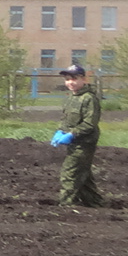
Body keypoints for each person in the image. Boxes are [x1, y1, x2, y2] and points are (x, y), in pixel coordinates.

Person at [52, 64, 104, 207]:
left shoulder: (89, 98)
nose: (71, 82)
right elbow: (66, 119)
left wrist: (71, 134)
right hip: (74, 142)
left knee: (69, 174)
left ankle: (66, 205)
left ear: (83, 79)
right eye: (67, 79)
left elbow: (89, 123)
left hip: (84, 143)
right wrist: (60, 131)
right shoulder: (72, 97)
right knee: (83, 175)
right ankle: (96, 203)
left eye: (74, 79)